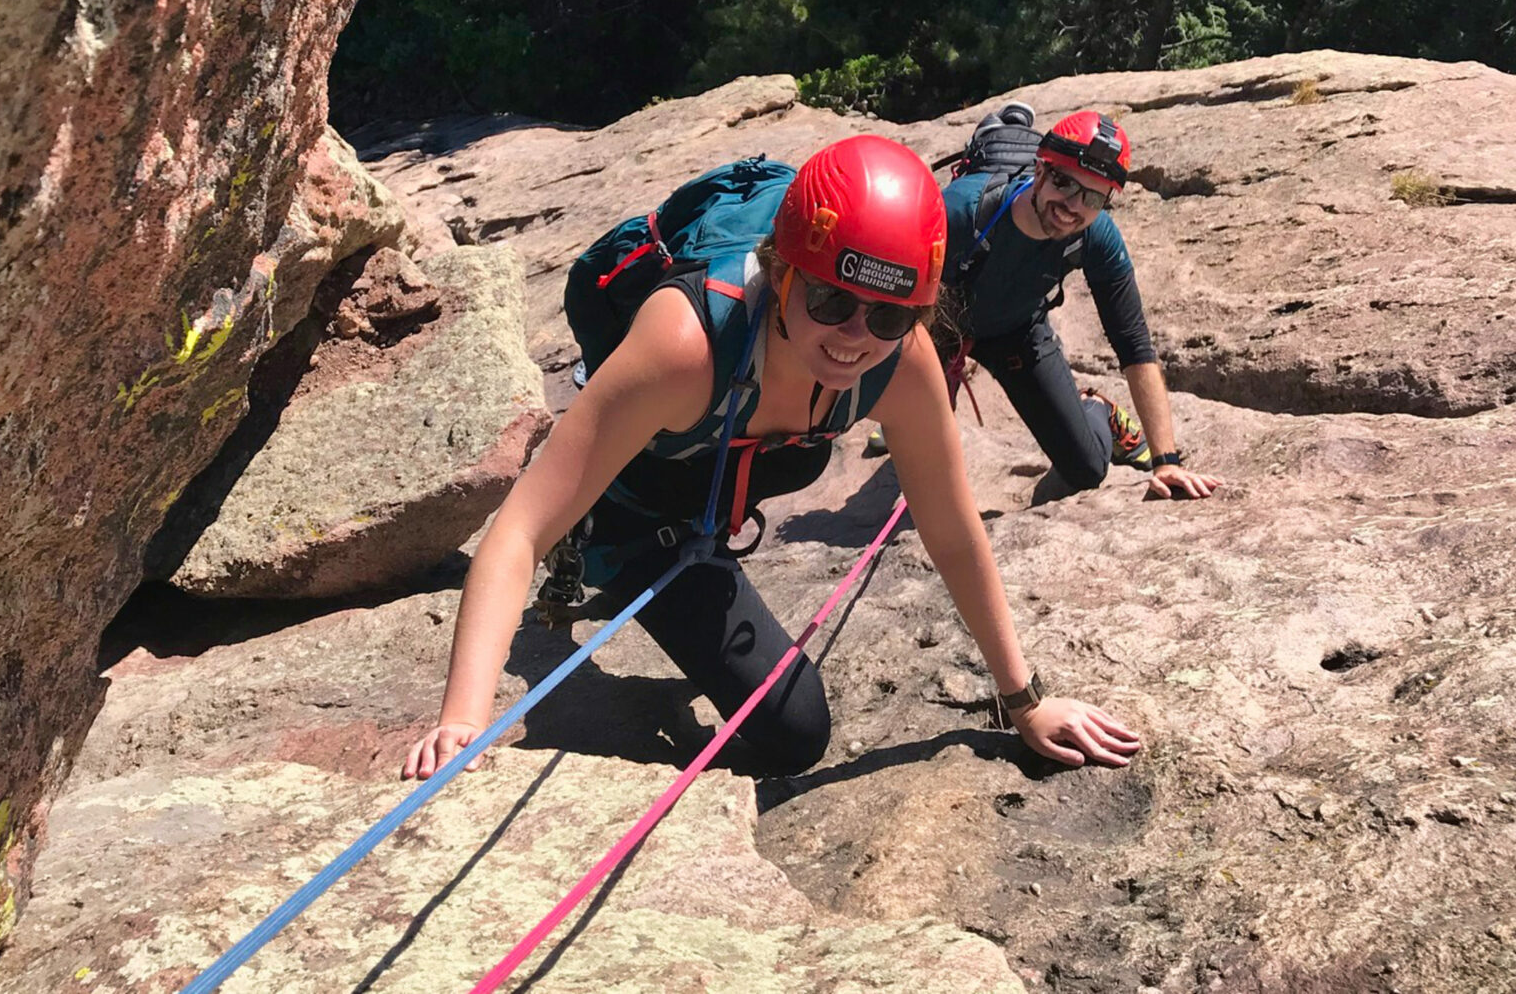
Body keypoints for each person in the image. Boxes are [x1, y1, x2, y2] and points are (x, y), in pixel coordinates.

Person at [403, 136, 1139, 780]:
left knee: (793, 733)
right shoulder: (686, 345)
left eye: (887, 314)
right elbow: (517, 533)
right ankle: (589, 501)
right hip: (645, 508)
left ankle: (605, 480)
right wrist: (463, 725)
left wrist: (1025, 702)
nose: (854, 334)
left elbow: (951, 531)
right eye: (829, 301)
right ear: (781, 271)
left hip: (714, 499)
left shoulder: (902, 362)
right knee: (590, 513)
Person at [936, 107, 1223, 502]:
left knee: (1085, 469)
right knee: (916, 441)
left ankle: (1097, 411)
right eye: (1064, 182)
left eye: (1092, 197)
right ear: (1040, 170)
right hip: (939, 326)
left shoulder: (1097, 237)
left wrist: (1166, 461)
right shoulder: (959, 211)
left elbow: (1134, 343)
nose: (1073, 205)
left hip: (1017, 332)